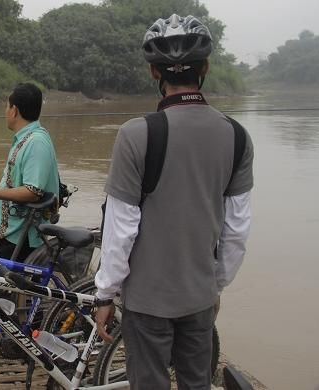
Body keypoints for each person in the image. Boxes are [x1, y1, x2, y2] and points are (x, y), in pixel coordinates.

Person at [93, 14, 254, 389]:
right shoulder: (238, 136)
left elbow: (120, 229)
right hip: (199, 298)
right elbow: (236, 231)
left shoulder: (136, 135)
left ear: (153, 72)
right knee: (197, 383)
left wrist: (104, 293)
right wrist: (214, 285)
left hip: (146, 302)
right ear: (207, 68)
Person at [0, 83, 59, 261]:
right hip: (13, 229)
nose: (5, 111)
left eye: (7, 106)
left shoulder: (36, 143)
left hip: (23, 235)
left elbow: (33, 191)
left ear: (14, 110)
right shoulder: (25, 138)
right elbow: (14, 182)